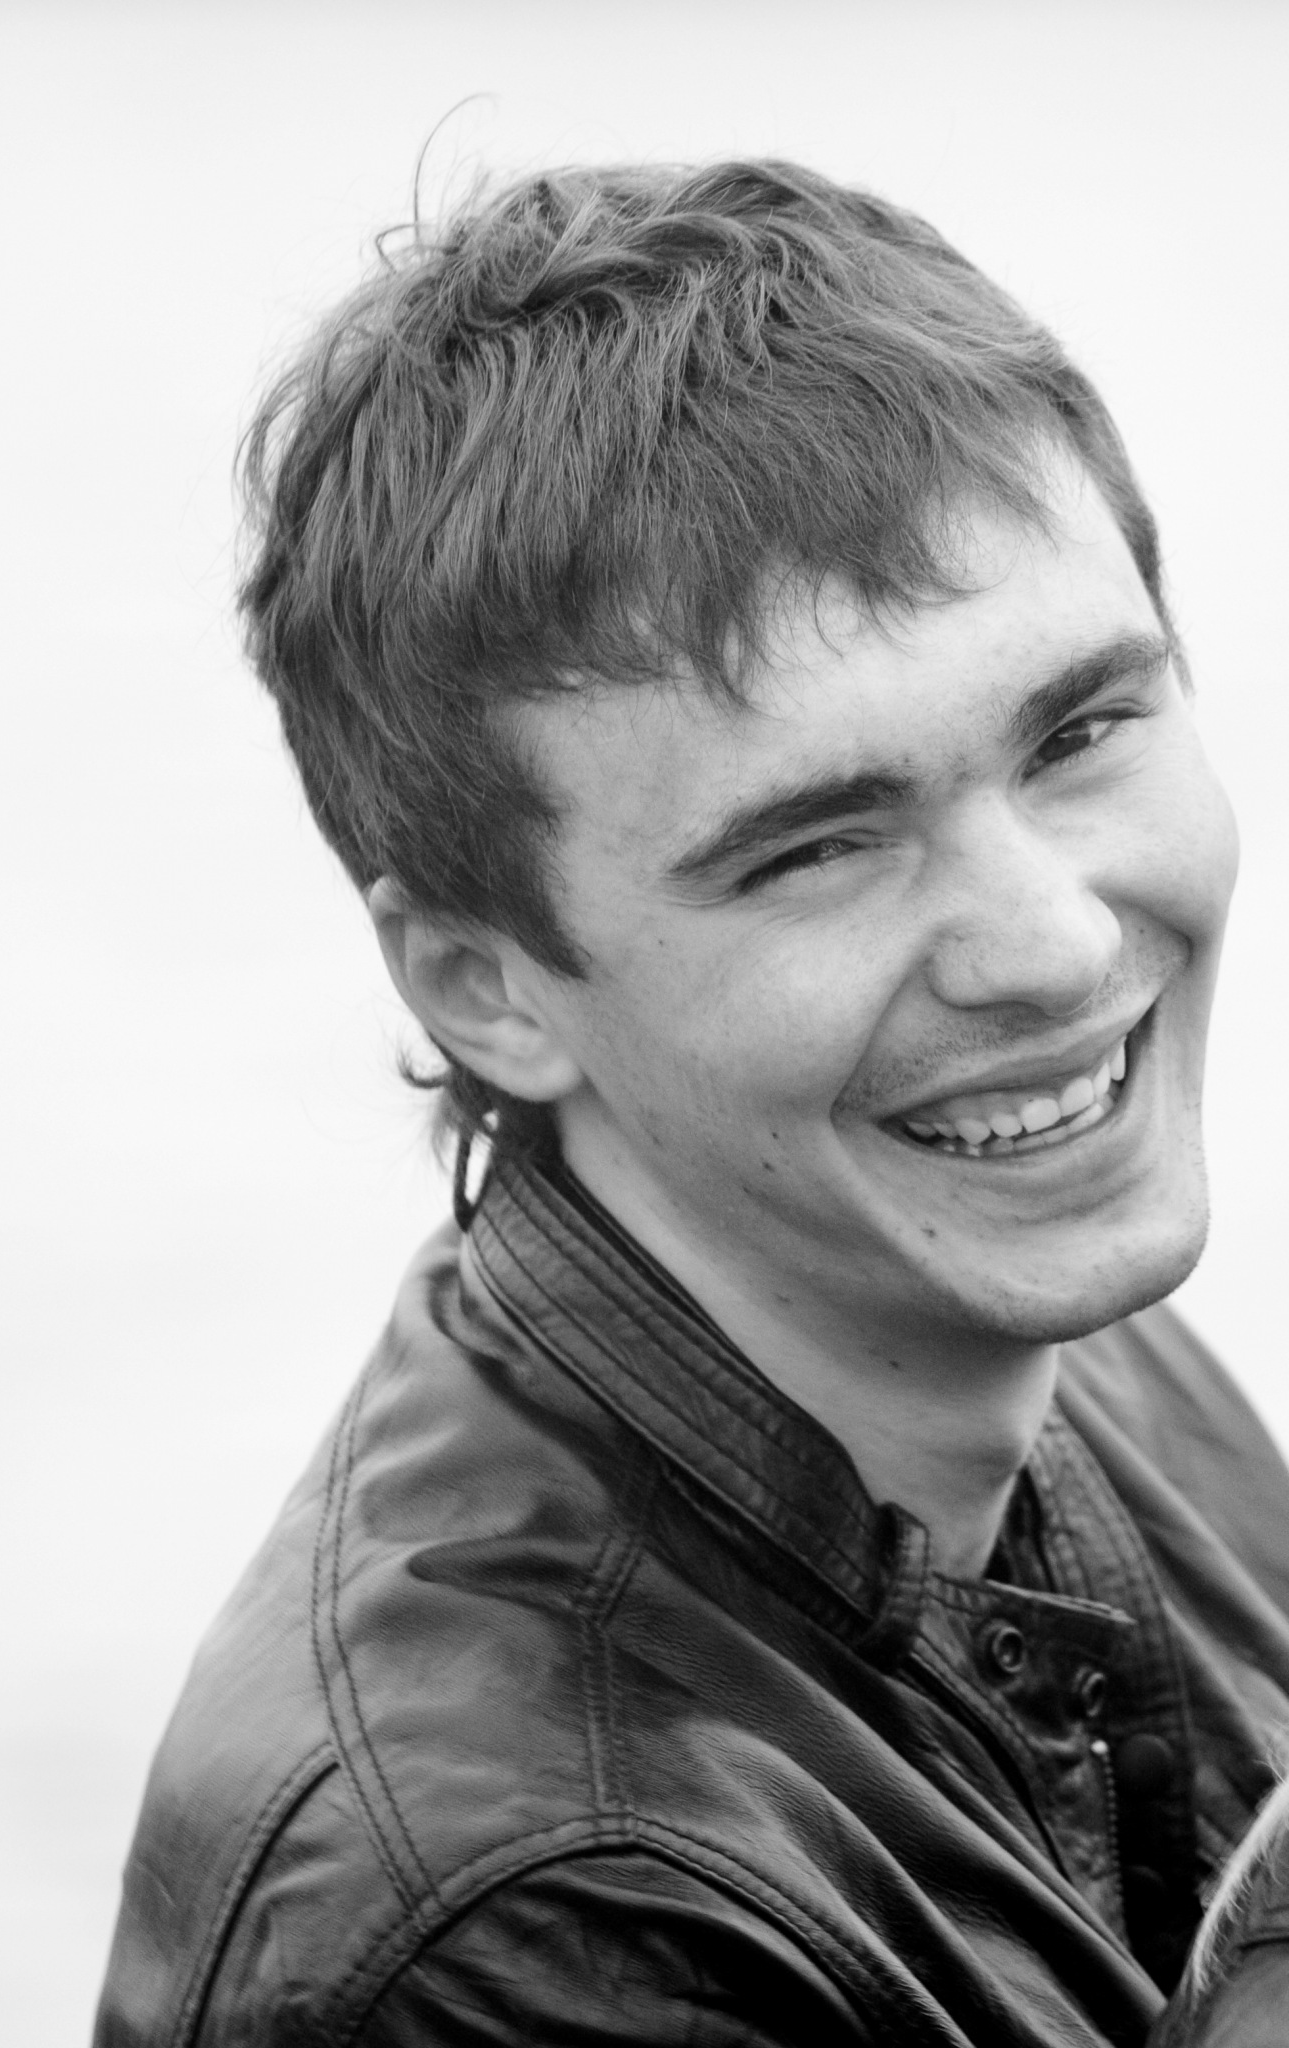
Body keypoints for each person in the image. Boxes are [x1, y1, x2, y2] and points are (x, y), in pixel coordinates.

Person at [93, 160, 1289, 2046]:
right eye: (818, 848)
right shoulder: (531, 1922)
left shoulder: (1010, 1289)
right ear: (487, 984)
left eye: (1079, 733)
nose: (1056, 948)